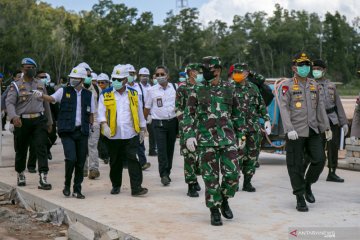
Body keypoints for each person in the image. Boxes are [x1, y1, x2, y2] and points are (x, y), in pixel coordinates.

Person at [183, 56, 241, 226]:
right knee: (211, 178)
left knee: (233, 175)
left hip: (227, 139)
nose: (204, 72)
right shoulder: (197, 89)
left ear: (217, 70)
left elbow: (237, 114)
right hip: (205, 141)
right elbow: (189, 114)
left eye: (208, 69)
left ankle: (224, 199)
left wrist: (242, 135)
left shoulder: (230, 88)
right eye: (203, 69)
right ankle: (214, 210)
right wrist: (189, 135)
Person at [278, 52, 331, 212]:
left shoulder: (314, 84)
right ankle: (300, 196)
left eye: (307, 65)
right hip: (296, 131)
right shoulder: (287, 85)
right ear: (294, 68)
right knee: (295, 165)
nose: (305, 68)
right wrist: (289, 129)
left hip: (313, 129)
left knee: (320, 159)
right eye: (301, 65)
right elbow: (284, 108)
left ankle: (307, 184)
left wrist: (326, 127)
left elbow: (320, 107)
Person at [37, 66, 95, 199]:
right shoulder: (64, 91)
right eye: (71, 78)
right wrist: (41, 96)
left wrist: (92, 127)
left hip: (82, 132)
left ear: (81, 79)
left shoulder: (88, 94)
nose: (73, 80)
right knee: (71, 159)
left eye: (76, 78)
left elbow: (91, 113)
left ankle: (77, 188)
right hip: (67, 131)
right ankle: (67, 185)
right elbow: (52, 98)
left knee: (80, 162)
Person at [98, 64, 148, 196]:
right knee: (115, 162)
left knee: (133, 160)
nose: (116, 81)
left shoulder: (134, 94)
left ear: (126, 79)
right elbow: (101, 113)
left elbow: (139, 112)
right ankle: (116, 185)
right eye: (114, 78)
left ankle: (136, 188)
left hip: (131, 134)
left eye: (119, 79)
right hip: (113, 135)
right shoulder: (105, 94)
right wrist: (104, 125)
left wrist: (142, 128)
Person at [5, 58, 53, 190]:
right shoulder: (15, 85)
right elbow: (9, 103)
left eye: (32, 67)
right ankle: (20, 173)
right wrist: (14, 117)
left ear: (35, 69)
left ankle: (43, 176)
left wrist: (49, 122)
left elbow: (46, 103)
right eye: (26, 67)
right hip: (22, 121)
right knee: (21, 149)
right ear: (22, 69)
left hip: (38, 120)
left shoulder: (40, 84)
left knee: (41, 147)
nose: (29, 70)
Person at [230, 63, 271, 192]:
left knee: (252, 156)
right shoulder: (229, 88)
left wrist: (266, 119)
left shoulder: (253, 88)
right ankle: (234, 181)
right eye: (235, 72)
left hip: (253, 128)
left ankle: (248, 182)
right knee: (237, 156)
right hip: (237, 129)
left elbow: (261, 105)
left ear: (247, 73)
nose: (236, 74)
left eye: (239, 72)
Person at [311, 59, 348, 182]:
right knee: (318, 148)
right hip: (318, 121)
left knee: (333, 147)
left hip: (332, 120)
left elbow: (338, 105)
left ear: (324, 70)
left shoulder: (331, 85)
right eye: (314, 69)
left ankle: (332, 172)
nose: (316, 71)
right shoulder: (310, 84)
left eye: (318, 69)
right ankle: (314, 172)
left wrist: (343, 122)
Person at [144, 66, 178, 186]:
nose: (159, 76)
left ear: (167, 75)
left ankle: (167, 172)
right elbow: (147, 107)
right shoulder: (151, 90)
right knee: (162, 150)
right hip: (158, 124)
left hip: (173, 122)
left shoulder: (175, 88)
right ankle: (163, 174)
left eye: (162, 74)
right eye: (157, 74)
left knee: (170, 149)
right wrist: (143, 123)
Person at [176, 63, 202, 197]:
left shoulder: (203, 87)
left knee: (201, 157)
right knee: (189, 156)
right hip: (188, 127)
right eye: (197, 71)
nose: (199, 73)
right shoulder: (182, 88)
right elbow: (178, 108)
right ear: (191, 72)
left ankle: (196, 175)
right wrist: (184, 126)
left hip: (203, 127)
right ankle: (191, 184)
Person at [82, 71, 102, 179]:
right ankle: (83, 169)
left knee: (93, 146)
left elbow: (102, 105)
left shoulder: (97, 89)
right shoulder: (76, 88)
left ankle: (94, 169)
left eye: (89, 76)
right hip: (81, 122)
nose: (87, 77)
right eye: (85, 75)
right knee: (82, 146)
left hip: (94, 121)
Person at [139, 67, 157, 156]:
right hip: (140, 111)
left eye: (146, 76)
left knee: (152, 132)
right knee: (140, 131)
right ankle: (140, 150)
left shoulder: (151, 87)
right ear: (139, 76)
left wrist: (150, 113)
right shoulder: (136, 87)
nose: (145, 77)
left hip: (149, 112)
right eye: (143, 76)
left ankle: (152, 150)